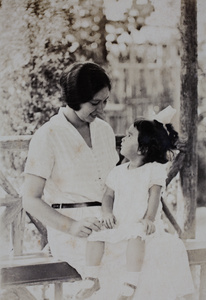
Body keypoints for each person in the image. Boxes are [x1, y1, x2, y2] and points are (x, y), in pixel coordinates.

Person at [76, 106, 194, 300]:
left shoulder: (153, 170)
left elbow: (155, 196)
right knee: (96, 234)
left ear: (142, 148)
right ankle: (91, 277)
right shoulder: (118, 171)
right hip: (121, 222)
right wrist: (106, 213)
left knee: (137, 235)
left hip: (140, 223)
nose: (123, 138)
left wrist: (148, 219)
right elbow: (108, 196)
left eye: (130, 135)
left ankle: (130, 281)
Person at [23, 62, 119, 278]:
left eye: (105, 101)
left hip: (109, 223)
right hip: (73, 232)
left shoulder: (104, 130)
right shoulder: (49, 134)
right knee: (113, 273)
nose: (102, 110)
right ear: (75, 99)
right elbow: (30, 198)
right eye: (95, 103)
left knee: (151, 255)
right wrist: (72, 226)